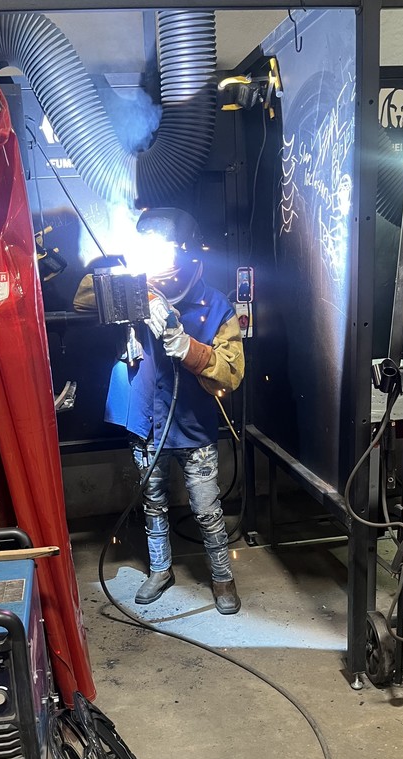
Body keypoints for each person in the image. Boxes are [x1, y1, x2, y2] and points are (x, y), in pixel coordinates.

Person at [73, 208, 245, 614]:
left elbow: (233, 371)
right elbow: (81, 297)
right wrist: (137, 289)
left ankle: (222, 576)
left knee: (205, 509)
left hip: (193, 427)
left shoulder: (214, 304)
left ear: (183, 253)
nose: (155, 259)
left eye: (162, 250)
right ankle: (161, 570)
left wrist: (190, 348)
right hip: (147, 424)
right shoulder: (132, 289)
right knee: (153, 504)